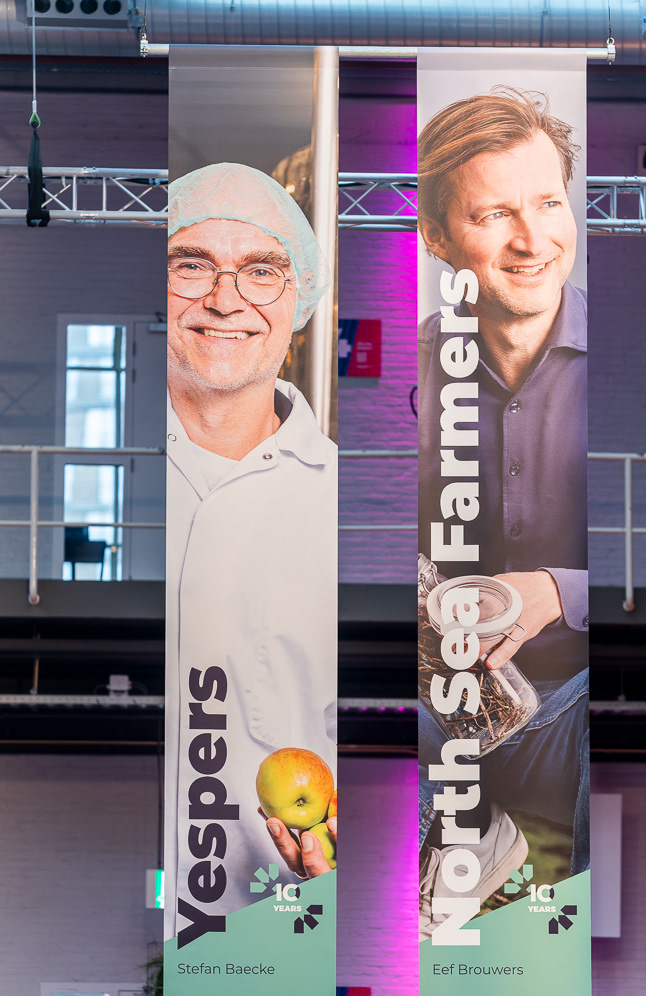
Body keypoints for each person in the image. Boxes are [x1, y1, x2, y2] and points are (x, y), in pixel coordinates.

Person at [416, 89, 589, 937]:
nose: (532, 241)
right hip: (450, 692)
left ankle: (543, 912)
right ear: (437, 237)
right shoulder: (421, 363)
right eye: (495, 215)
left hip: (576, 689)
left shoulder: (623, 360)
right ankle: (470, 840)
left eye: (549, 203)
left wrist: (557, 591)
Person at [164, 162, 338, 940]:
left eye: (261, 271)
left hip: (277, 928)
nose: (225, 298)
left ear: (300, 300)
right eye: (192, 264)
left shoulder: (342, 503)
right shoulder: (109, 479)